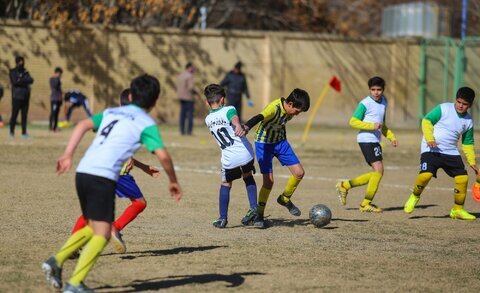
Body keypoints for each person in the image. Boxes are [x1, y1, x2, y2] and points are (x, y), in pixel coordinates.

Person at [41, 74, 182, 292]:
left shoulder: (111, 112)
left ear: (131, 94)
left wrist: (68, 154)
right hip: (102, 177)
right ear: (154, 102)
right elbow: (163, 156)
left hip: (84, 171)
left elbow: (82, 125)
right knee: (103, 233)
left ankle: (56, 262)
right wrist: (173, 181)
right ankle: (74, 283)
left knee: (94, 225)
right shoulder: (146, 123)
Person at [70, 88, 160, 254]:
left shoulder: (111, 116)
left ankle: (72, 246)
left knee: (91, 211)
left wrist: (143, 167)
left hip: (94, 168)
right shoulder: (136, 120)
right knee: (139, 203)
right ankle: (115, 228)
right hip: (116, 172)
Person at [404, 87, 477, 220]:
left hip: (451, 151)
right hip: (431, 148)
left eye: (465, 104)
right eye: (459, 102)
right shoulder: (443, 108)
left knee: (463, 178)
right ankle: (415, 195)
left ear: (470, 105)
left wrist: (472, 161)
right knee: (426, 175)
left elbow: (468, 142)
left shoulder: (468, 121)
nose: (461, 106)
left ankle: (457, 210)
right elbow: (426, 121)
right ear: (456, 100)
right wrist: (430, 139)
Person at [243, 88, 310, 228]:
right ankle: (259, 216)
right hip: (263, 144)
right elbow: (259, 117)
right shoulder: (273, 108)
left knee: (299, 173)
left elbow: (281, 124)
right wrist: (247, 126)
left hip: (280, 143)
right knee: (269, 182)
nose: (297, 115)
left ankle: (284, 199)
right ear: (290, 104)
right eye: (297, 111)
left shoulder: (290, 110)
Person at [336, 76, 398, 213]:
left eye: (379, 89)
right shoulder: (365, 103)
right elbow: (353, 121)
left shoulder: (384, 102)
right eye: (373, 89)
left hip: (375, 140)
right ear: (369, 90)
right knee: (379, 170)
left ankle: (345, 185)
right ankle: (365, 203)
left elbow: (382, 124)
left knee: (377, 172)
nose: (376, 92)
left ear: (383, 90)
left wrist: (391, 137)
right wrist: (371, 126)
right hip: (366, 139)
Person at [203, 84, 258, 228]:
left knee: (226, 184)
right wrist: (238, 125)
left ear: (207, 102)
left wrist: (236, 124)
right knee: (247, 176)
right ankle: (254, 207)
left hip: (229, 158)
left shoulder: (208, 119)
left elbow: (230, 118)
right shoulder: (230, 108)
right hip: (246, 153)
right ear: (222, 100)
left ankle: (222, 218)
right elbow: (232, 116)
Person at [9, 56, 34, 138]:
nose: (22, 63)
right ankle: (11, 132)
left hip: (25, 97)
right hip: (16, 97)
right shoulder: (12, 71)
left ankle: (24, 133)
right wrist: (24, 81)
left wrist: (21, 80)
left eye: (23, 62)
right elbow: (15, 82)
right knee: (14, 115)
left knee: (24, 116)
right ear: (17, 62)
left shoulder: (26, 72)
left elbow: (31, 80)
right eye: (20, 62)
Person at [176, 62, 197, 135]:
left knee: (182, 114)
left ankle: (182, 131)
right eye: (192, 68)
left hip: (181, 97)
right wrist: (196, 92)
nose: (193, 69)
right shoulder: (189, 76)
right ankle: (189, 131)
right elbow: (190, 87)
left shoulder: (181, 75)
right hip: (188, 97)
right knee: (190, 115)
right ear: (189, 68)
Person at [49, 67, 63, 132]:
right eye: (60, 74)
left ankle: (55, 127)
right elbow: (55, 85)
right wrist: (57, 78)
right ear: (57, 73)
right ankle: (50, 127)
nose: (60, 75)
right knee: (53, 113)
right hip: (54, 99)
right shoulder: (52, 79)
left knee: (57, 114)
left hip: (58, 99)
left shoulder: (58, 80)